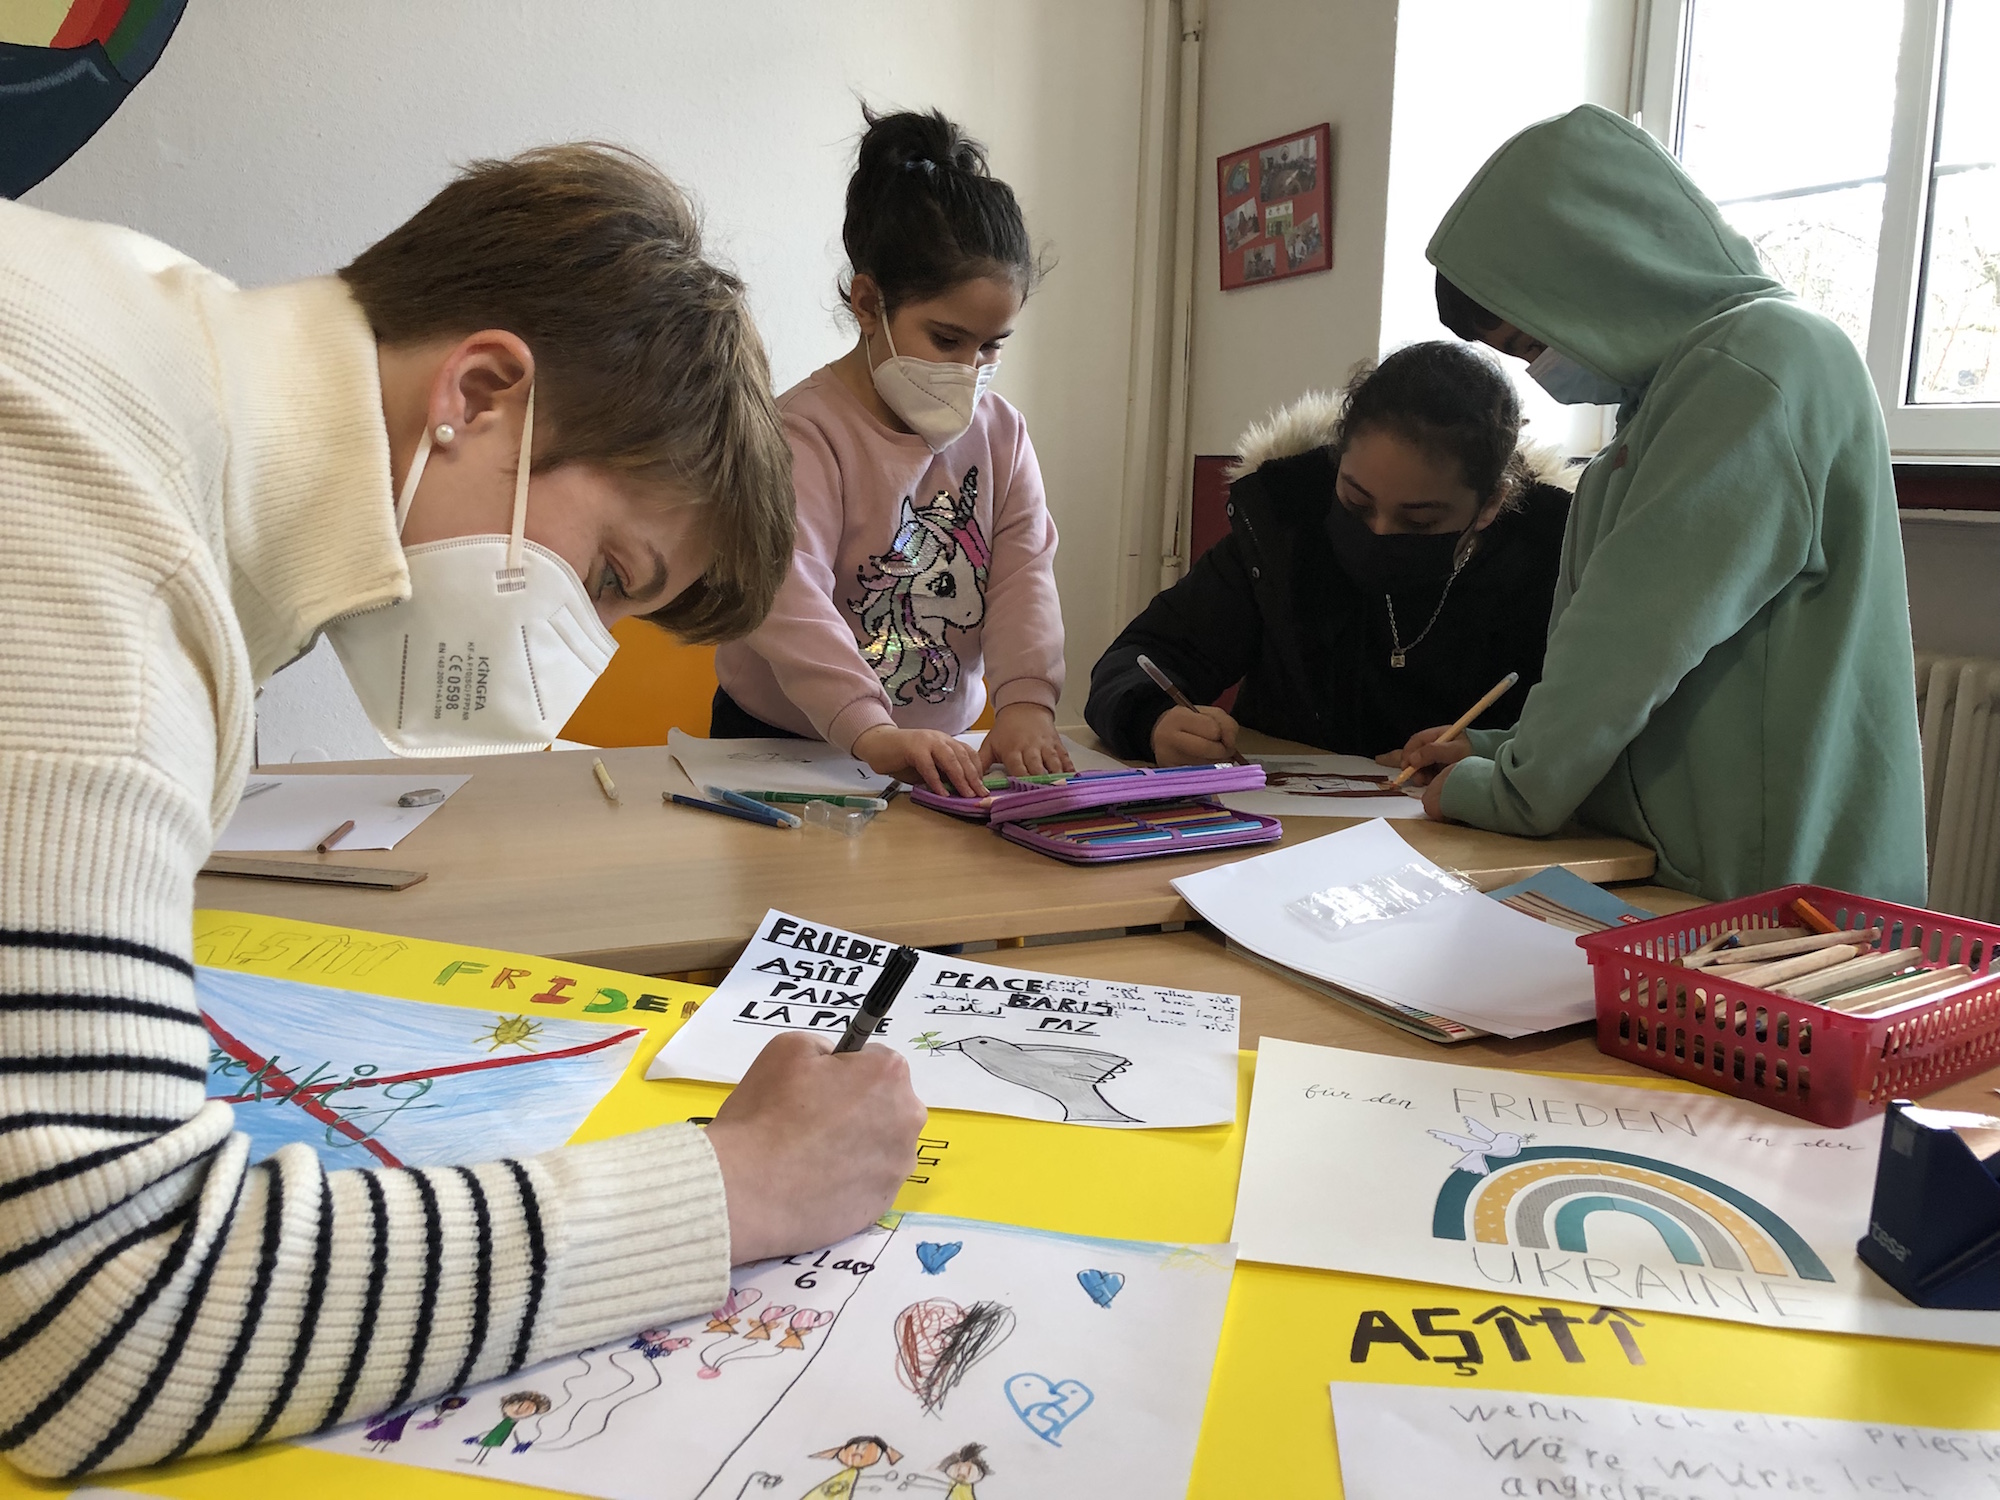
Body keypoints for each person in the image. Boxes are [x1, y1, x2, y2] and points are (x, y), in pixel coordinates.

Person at [0, 144, 927, 1478]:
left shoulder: (137, 332)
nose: (588, 646)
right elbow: (99, 1316)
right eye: (611, 571)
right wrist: (736, 1186)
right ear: (481, 392)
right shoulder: (105, 536)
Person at [1392, 104, 1926, 902]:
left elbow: (1630, 636)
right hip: (1712, 867)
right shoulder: (1683, 386)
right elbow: (1681, 676)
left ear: (1596, 265)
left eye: (1529, 341)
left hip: (1763, 894)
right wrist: (1503, 747)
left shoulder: (1758, 361)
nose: (1539, 371)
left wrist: (1511, 788)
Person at [713, 107, 1069, 796]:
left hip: (939, 748)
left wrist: (1026, 702)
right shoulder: (802, 433)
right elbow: (788, 597)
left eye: (992, 345)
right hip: (785, 743)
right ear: (869, 304)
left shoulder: (1003, 435)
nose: (971, 367)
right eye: (946, 339)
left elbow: (1024, 576)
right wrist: (870, 731)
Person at [1086, 341, 1573, 765]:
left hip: (1467, 844)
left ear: (1489, 505)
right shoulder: (1285, 528)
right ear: (1337, 460)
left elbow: (1592, 735)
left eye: (1419, 521)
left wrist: (1494, 754)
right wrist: (1153, 718)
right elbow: (1143, 655)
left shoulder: (1554, 566)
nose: (1379, 532)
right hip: (1276, 835)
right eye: (1356, 501)